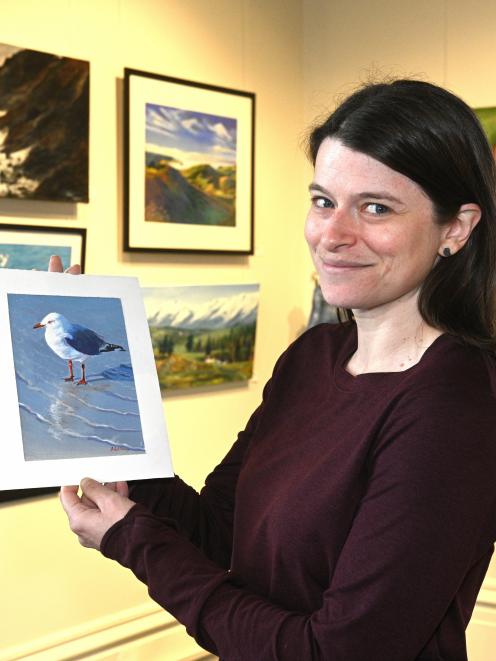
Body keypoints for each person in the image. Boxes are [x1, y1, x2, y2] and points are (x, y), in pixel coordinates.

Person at [58, 79, 496, 660]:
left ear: (456, 228)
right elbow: (216, 533)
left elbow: (336, 653)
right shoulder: (313, 358)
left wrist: (132, 539)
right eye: (323, 201)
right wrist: (111, 428)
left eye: (376, 207)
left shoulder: (456, 404)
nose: (333, 235)